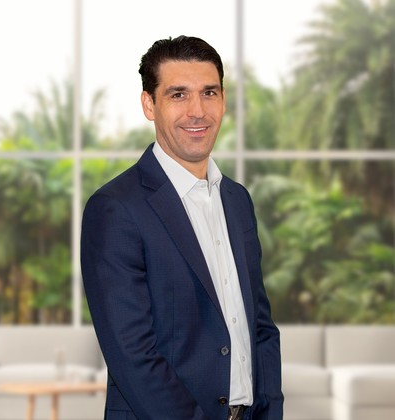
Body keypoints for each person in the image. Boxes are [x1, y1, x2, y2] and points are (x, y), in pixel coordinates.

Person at [81, 35, 283, 420]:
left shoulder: (237, 200)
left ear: (223, 100)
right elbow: (133, 356)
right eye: (178, 95)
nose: (197, 111)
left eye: (209, 93)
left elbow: (260, 328)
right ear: (149, 105)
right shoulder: (115, 209)